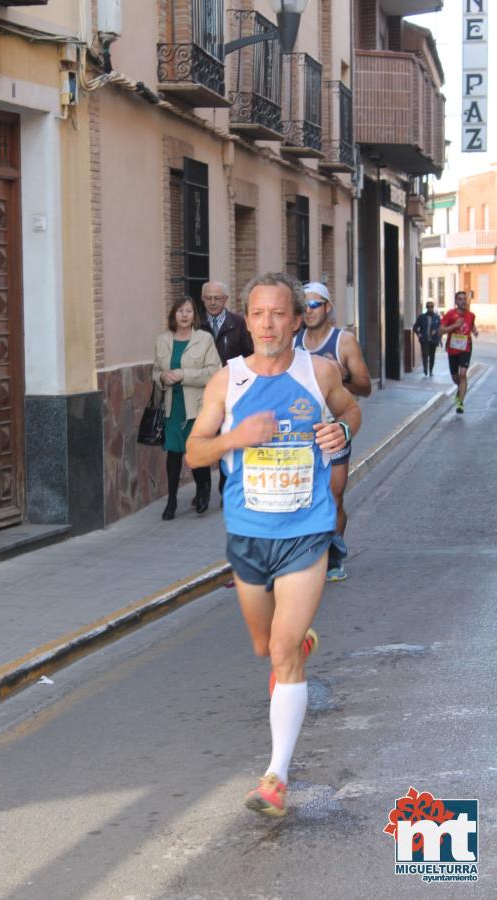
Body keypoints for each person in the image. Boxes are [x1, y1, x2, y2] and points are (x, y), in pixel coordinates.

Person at [186, 272, 361, 817]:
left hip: (306, 531)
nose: (267, 324)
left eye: (279, 313)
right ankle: (293, 644)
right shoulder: (228, 381)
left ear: (296, 318)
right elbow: (195, 453)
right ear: (247, 318)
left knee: (282, 652)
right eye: (258, 313)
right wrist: (237, 437)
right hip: (248, 533)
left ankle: (276, 776)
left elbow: (350, 408)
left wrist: (343, 432)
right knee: (265, 645)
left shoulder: (320, 371)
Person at [294, 282, 371, 582]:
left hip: (334, 429)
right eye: (305, 306)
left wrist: (340, 375)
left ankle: (333, 558)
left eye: (316, 305)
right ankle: (313, 553)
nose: (310, 311)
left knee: (333, 498)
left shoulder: (344, 341)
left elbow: (365, 387)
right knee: (306, 499)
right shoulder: (293, 341)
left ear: (327, 307)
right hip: (303, 434)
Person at [153, 297, 220, 519]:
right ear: (173, 315)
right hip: (173, 406)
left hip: (196, 406)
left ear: (194, 315)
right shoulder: (162, 340)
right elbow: (155, 371)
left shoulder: (204, 339)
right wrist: (162, 376)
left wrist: (184, 375)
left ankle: (203, 492)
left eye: (189, 311)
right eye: (180, 311)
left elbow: (213, 372)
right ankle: (171, 500)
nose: (184, 315)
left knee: (195, 453)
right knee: (173, 454)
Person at [199, 281, 254, 504]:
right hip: (202, 392)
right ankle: (202, 490)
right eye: (208, 298)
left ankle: (224, 484)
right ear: (203, 300)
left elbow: (250, 354)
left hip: (232, 392)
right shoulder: (196, 324)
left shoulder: (238, 323)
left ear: (225, 300)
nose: (213, 302)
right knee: (202, 439)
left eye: (217, 298)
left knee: (226, 439)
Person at [440, 290, 478, 414]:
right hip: (453, 349)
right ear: (456, 301)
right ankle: (460, 390)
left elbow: (471, 325)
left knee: (463, 374)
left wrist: (474, 331)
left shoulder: (471, 315)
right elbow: (441, 331)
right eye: (460, 299)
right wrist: (454, 326)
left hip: (466, 347)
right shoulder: (450, 314)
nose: (463, 301)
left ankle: (460, 402)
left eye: (464, 299)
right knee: (455, 376)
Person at [413, 301, 441, 376]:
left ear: (433, 307)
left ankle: (431, 370)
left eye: (431, 306)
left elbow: (440, 328)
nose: (430, 308)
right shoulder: (422, 317)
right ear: (426, 307)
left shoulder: (437, 317)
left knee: (432, 355)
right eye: (428, 307)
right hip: (424, 340)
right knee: (425, 355)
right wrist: (418, 333)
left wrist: (436, 331)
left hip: (433, 340)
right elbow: (415, 327)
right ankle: (425, 368)